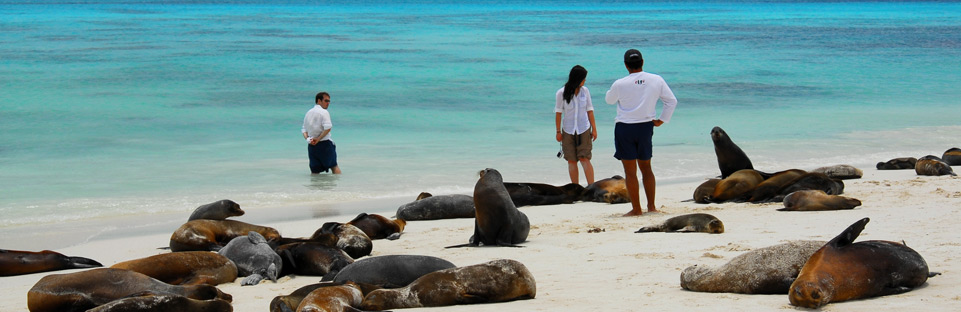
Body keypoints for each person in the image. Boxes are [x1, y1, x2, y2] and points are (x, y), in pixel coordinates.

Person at [605, 49, 677, 216]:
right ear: (642, 62)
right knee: (646, 168)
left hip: (625, 128)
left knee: (630, 172)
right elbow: (671, 101)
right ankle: (651, 207)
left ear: (626, 65)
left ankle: (636, 209)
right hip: (645, 127)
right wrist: (661, 120)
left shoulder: (620, 83)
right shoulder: (656, 79)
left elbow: (609, 100)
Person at [554, 65, 597, 185]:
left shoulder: (585, 91)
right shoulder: (561, 93)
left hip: (584, 128)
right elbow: (558, 114)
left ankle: (591, 187)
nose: (585, 80)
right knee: (571, 160)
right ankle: (575, 187)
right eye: (583, 78)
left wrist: (594, 129)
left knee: (584, 158)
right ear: (578, 79)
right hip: (568, 130)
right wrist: (558, 132)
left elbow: (590, 111)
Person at [302, 91, 342, 174]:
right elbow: (328, 128)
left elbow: (304, 130)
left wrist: (308, 139)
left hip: (312, 146)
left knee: (314, 171)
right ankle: (340, 183)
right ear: (319, 101)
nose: (328, 103)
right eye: (326, 101)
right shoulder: (324, 112)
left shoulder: (308, 112)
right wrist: (318, 139)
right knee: (334, 166)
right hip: (325, 144)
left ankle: (315, 183)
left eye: (329, 101)